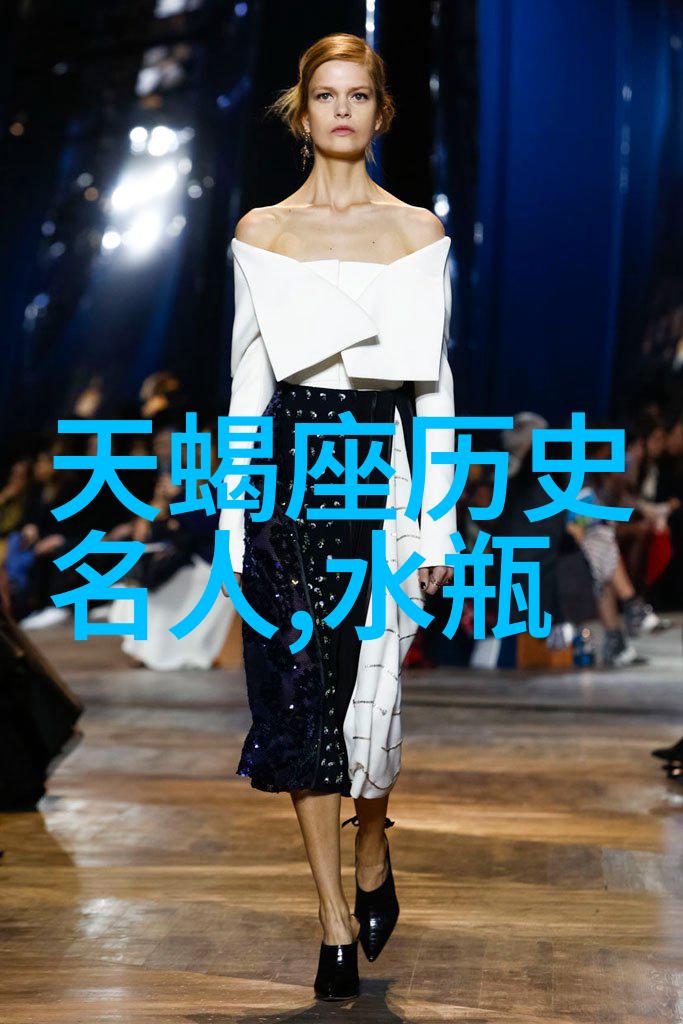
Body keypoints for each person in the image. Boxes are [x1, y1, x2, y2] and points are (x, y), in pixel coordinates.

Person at [218, 34, 456, 1000]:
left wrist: (436, 527)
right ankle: (330, 922)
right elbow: (246, 383)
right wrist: (232, 523)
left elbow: (434, 393)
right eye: (326, 95)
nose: (343, 110)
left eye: (359, 95)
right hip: (285, 475)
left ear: (380, 110)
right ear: (302, 111)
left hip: (378, 472)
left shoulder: (416, 232)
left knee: (375, 698)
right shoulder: (263, 230)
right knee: (298, 698)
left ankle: (372, 840)